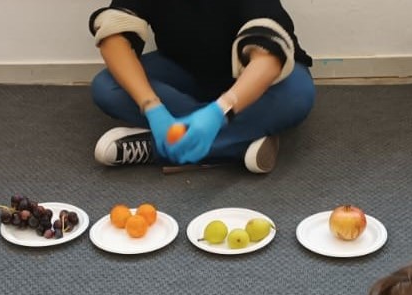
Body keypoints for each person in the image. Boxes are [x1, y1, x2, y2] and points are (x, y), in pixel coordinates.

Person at [88, 0, 315, 173]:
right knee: (107, 87)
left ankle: (159, 148)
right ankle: (238, 143)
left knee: (297, 94)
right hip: (182, 69)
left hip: (245, 76)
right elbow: (113, 34)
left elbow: (269, 53)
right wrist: (151, 106)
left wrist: (222, 109)